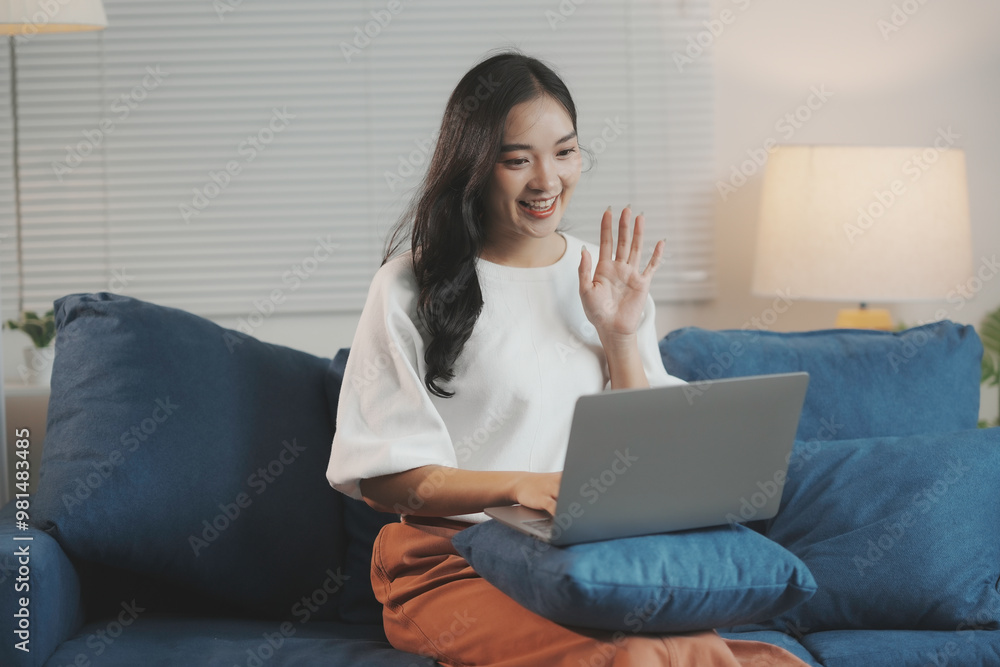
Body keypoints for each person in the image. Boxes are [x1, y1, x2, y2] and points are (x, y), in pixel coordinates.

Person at [327, 51, 810, 667]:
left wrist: (620, 337)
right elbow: (385, 477)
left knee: (708, 652)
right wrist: (522, 487)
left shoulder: (606, 279)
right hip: (448, 565)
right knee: (632, 656)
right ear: (474, 165)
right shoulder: (407, 286)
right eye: (517, 159)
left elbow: (645, 461)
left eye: (564, 151)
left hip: (586, 559)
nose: (547, 180)